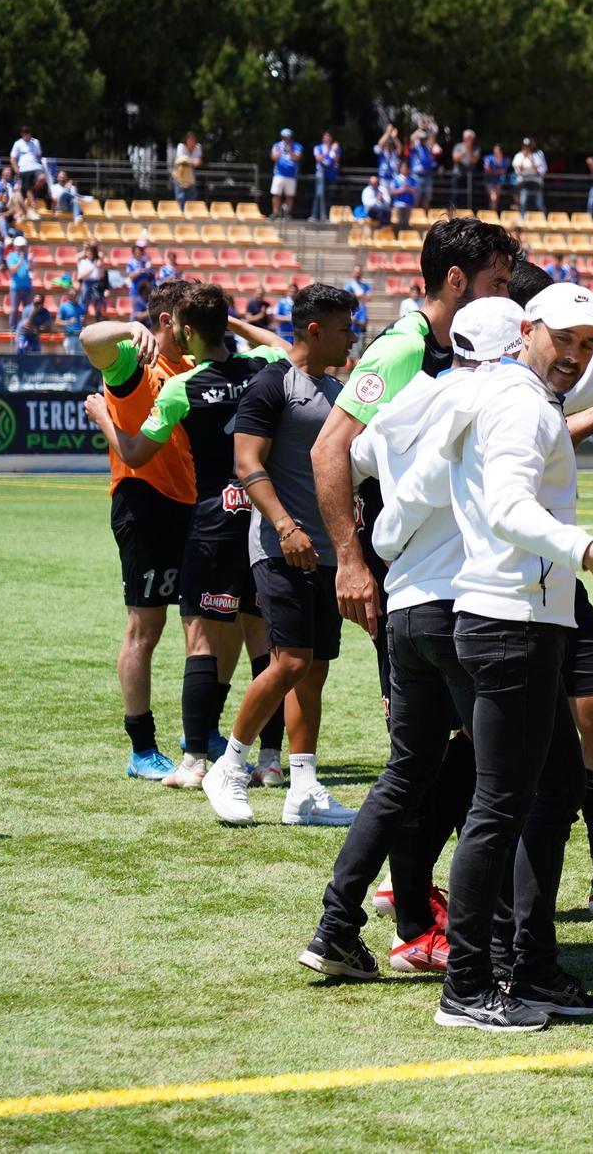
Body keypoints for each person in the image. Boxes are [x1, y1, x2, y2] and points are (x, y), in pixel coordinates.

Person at [433, 283, 593, 1032]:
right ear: (525, 329)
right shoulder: (517, 402)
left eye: (588, 342)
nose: (577, 356)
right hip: (509, 622)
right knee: (499, 808)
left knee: (552, 790)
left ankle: (527, 961)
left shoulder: (523, 389)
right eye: (565, 340)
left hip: (522, 619)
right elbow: (509, 508)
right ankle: (469, 981)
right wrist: (588, 551)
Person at [297, 296, 528, 982]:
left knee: (405, 774)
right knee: (503, 779)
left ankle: (338, 922)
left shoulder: (402, 404)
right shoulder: (484, 402)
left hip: (404, 613)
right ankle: (500, 947)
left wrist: (366, 549)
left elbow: (350, 455)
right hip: (463, 607)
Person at [84, 285, 290, 789]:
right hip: (150, 507)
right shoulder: (135, 362)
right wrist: (125, 328)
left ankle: (203, 740)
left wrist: (104, 422)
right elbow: (90, 338)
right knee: (148, 629)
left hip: (203, 510)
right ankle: (143, 747)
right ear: (164, 321)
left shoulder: (193, 375)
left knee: (216, 627)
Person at [202, 284, 362, 826]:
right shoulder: (272, 385)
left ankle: (303, 788)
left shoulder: (338, 388)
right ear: (314, 330)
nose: (351, 335)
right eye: (344, 327)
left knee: (312, 671)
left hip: (327, 552)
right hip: (281, 548)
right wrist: (285, 525)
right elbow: (247, 462)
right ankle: (227, 768)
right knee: (289, 661)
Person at [270, 129, 302, 219]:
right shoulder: (277, 145)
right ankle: (275, 213)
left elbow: (297, 157)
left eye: (287, 137)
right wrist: (279, 153)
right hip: (279, 174)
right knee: (276, 194)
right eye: (284, 137)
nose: (285, 139)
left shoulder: (297, 146)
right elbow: (273, 157)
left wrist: (290, 151)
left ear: (291, 138)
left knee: (289, 195)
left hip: (291, 175)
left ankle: (286, 213)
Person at [311, 132, 342, 221]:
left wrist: (335, 150)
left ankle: (326, 216)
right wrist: (329, 150)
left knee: (329, 195)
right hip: (321, 173)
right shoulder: (318, 147)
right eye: (325, 137)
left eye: (329, 137)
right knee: (319, 194)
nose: (327, 139)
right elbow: (318, 159)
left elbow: (337, 160)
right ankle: (314, 215)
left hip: (331, 174)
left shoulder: (335, 149)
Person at [514, 138, 547, 220]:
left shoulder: (537, 155)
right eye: (525, 146)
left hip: (535, 182)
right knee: (523, 201)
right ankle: (522, 219)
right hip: (524, 182)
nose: (527, 148)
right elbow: (519, 169)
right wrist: (525, 160)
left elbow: (538, 169)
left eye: (528, 146)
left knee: (539, 203)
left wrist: (531, 160)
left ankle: (545, 218)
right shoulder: (519, 155)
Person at [409, 127, 441, 209]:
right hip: (417, 176)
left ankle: (425, 220)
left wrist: (429, 127)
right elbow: (412, 138)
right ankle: (414, 218)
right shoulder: (415, 147)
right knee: (416, 199)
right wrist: (420, 128)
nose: (423, 139)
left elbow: (433, 138)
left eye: (424, 138)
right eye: (421, 138)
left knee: (427, 199)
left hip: (427, 175)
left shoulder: (428, 146)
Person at [450, 130, 481, 212]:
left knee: (467, 197)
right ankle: (454, 216)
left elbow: (474, 161)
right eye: (465, 137)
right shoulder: (458, 146)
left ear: (472, 139)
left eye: (468, 138)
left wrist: (470, 150)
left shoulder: (476, 148)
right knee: (456, 196)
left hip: (469, 176)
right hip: (458, 175)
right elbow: (455, 159)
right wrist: (464, 151)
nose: (466, 139)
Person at [172, 132, 204, 209]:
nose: (191, 142)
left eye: (193, 140)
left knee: (191, 194)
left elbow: (198, 162)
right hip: (180, 172)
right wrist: (192, 161)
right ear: (186, 140)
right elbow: (181, 160)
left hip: (191, 173)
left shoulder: (198, 147)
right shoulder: (181, 146)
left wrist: (189, 161)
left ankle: (190, 211)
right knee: (181, 194)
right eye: (189, 140)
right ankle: (181, 212)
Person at [483, 143, 508, 213]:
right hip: (489, 181)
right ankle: (492, 213)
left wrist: (493, 171)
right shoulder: (489, 158)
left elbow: (504, 171)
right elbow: (486, 170)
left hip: (499, 181)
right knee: (493, 198)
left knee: (495, 199)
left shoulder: (504, 159)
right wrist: (498, 172)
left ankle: (492, 213)